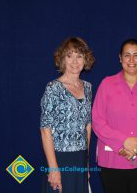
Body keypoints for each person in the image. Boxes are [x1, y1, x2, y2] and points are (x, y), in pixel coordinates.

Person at [92, 38, 137, 193]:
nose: (131, 60)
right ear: (120, 58)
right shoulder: (106, 84)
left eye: (136, 55)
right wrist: (123, 142)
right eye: (127, 55)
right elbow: (98, 121)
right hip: (112, 159)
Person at [40, 37, 95, 193]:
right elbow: (45, 129)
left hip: (80, 158)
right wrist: (53, 168)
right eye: (69, 56)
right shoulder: (53, 88)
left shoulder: (88, 87)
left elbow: (88, 127)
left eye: (79, 56)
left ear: (85, 59)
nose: (74, 61)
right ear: (62, 59)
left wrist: (87, 162)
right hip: (58, 158)